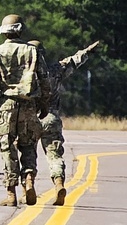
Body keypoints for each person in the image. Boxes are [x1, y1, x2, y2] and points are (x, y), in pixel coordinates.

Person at [0, 14, 50, 207]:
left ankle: (11, 193)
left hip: (6, 106)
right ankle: (28, 180)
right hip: (29, 104)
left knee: (7, 147)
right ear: (20, 29)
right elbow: (44, 80)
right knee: (28, 145)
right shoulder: (32, 51)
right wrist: (44, 103)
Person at [27, 39, 101, 206]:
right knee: (55, 155)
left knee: (28, 154)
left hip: (29, 118)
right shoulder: (55, 69)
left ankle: (29, 184)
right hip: (51, 117)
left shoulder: (24, 73)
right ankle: (59, 184)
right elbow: (74, 61)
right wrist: (88, 51)